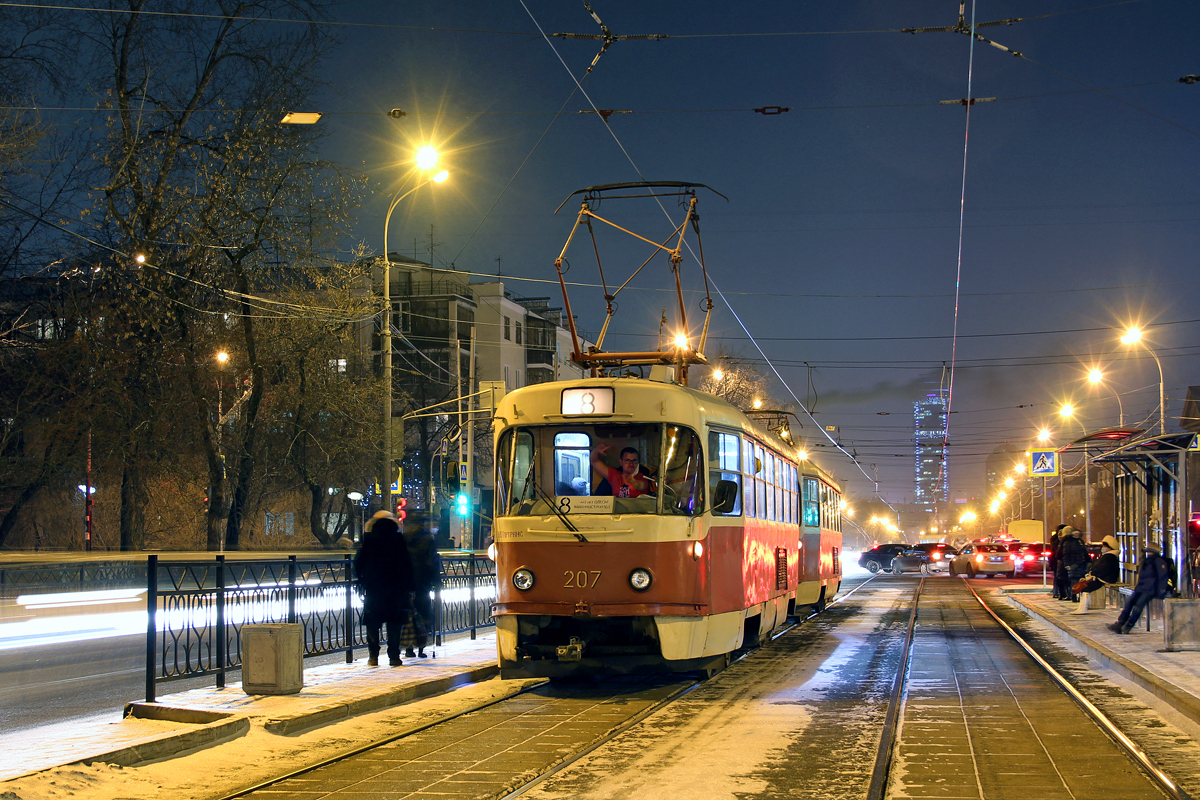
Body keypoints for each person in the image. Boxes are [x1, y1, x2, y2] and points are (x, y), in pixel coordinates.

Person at [354, 511, 415, 666]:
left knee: (373, 622)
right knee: (394, 623)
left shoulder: (369, 539)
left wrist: (362, 580)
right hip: (396, 588)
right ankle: (394, 656)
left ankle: (373, 656)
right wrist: (409, 586)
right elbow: (406, 564)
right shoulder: (398, 539)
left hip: (374, 588)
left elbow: (359, 562)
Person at [1108, 542, 1173, 634]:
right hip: (1142, 587)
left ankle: (1128, 625)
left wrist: (1161, 591)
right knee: (1130, 603)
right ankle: (1120, 623)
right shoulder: (1147, 561)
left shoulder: (1158, 561)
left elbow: (1163, 577)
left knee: (1138, 606)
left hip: (1150, 589)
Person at [402, 512, 441, 659]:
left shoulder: (404, 539)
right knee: (424, 614)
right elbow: (432, 562)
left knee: (409, 614)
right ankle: (421, 647)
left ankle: (408, 647)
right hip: (422, 582)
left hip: (406, 582)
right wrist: (436, 581)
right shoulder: (427, 539)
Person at [1070, 535, 1119, 615]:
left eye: (1105, 546)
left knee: (1086, 587)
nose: (1103, 548)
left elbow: (1103, 569)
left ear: (1110, 547)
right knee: (1085, 585)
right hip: (1103, 577)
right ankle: (1082, 608)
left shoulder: (1110, 557)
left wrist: (1093, 574)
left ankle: (1083, 608)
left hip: (1105, 578)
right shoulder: (1109, 556)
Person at [591, 443, 656, 498]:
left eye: (634, 460)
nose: (631, 463)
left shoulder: (643, 476)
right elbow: (594, 461)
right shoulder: (614, 475)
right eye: (627, 460)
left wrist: (634, 483)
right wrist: (596, 450)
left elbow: (641, 485)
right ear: (621, 462)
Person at [1057, 526, 1089, 602]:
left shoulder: (1066, 542)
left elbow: (1063, 554)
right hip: (1079, 564)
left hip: (1071, 565)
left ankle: (1073, 596)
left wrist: (1067, 565)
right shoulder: (1079, 541)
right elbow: (1084, 553)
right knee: (1078, 580)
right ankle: (1077, 596)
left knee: (1073, 581)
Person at [1048, 528, 1063, 598]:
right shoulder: (1058, 542)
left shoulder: (1054, 541)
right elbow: (1054, 554)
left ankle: (1056, 592)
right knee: (1059, 578)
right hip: (1058, 562)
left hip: (1056, 562)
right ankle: (1058, 592)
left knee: (1058, 578)